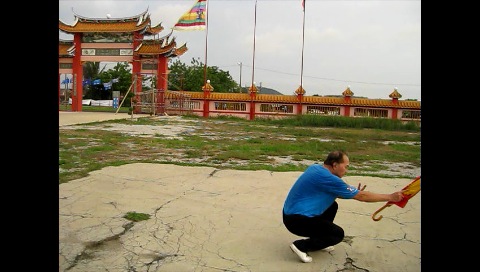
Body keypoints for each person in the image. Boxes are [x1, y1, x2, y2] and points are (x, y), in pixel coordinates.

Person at [282, 150, 405, 263]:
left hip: (291, 215)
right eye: (346, 166)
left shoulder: (316, 168)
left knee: (332, 205)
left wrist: (352, 193)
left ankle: (319, 240)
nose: (346, 170)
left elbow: (334, 190)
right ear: (335, 165)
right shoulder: (329, 178)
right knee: (337, 234)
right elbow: (362, 196)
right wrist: (390, 197)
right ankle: (301, 246)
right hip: (297, 221)